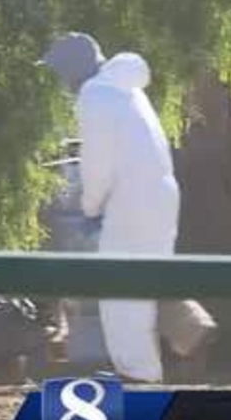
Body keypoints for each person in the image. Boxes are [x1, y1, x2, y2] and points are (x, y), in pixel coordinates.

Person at [40, 32, 180, 383]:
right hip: (159, 197)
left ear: (73, 70)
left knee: (122, 294)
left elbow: (98, 162)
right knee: (146, 286)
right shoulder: (127, 88)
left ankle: (137, 377)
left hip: (132, 201)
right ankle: (176, 348)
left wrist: (90, 206)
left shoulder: (95, 94)